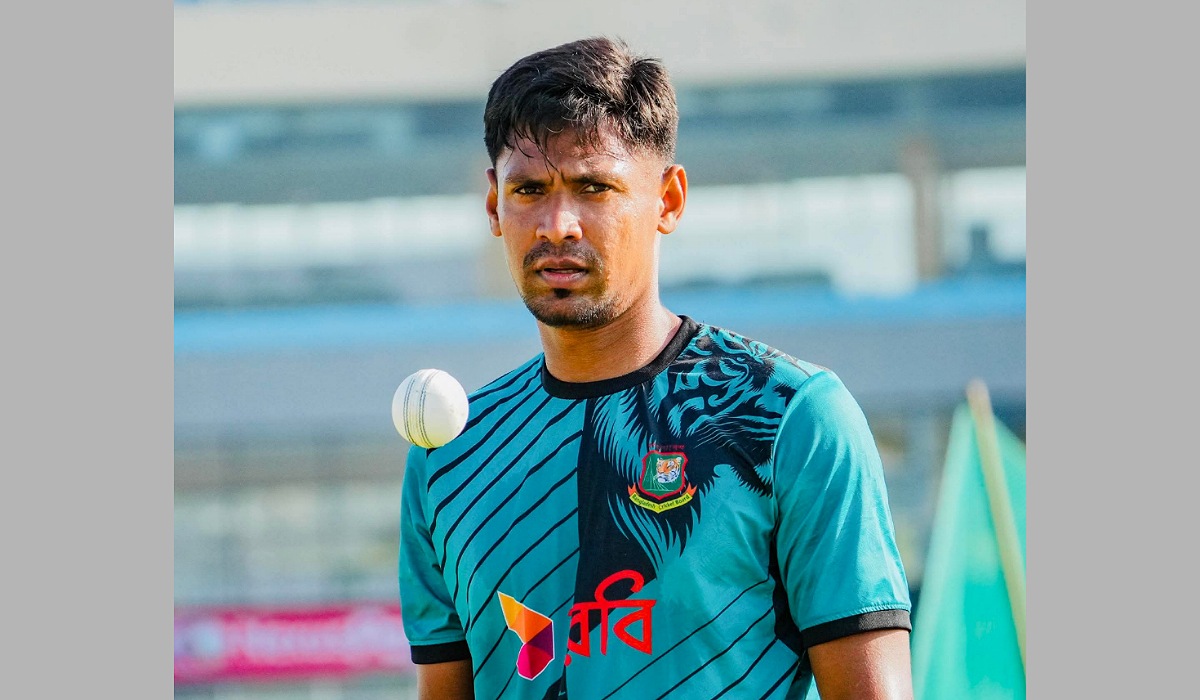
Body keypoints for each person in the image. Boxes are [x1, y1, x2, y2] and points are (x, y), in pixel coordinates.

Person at [399, 37, 913, 700]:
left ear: (667, 200)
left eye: (594, 187)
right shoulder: (448, 456)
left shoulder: (792, 417)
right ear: (495, 204)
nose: (558, 224)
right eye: (530, 189)